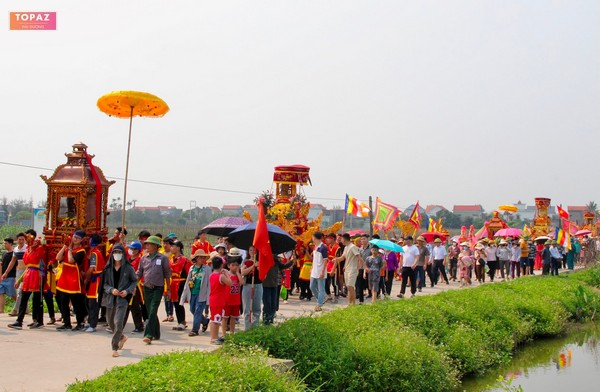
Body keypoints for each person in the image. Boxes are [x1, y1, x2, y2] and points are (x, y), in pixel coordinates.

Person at [102, 244, 137, 357]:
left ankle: (114, 347)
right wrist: (111, 290)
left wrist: (127, 291)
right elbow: (104, 284)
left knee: (118, 322)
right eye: (115, 252)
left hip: (122, 299)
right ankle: (121, 337)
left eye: (119, 252)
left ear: (123, 254)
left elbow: (134, 281)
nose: (117, 255)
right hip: (111, 298)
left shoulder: (128, 268)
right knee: (111, 322)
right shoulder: (108, 269)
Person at [8, 234, 48, 330]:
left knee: (37, 299)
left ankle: (39, 320)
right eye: (29, 240)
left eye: (32, 240)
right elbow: (27, 265)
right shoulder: (27, 250)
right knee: (23, 298)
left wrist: (42, 276)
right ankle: (19, 321)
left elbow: (43, 263)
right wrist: (19, 280)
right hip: (28, 274)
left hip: (37, 275)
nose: (31, 242)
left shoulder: (40, 249)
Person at [136, 236, 171, 345]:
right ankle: (156, 333)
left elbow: (167, 274)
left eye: (150, 244)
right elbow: (139, 273)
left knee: (152, 310)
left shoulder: (163, 258)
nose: (147, 246)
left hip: (158, 288)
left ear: (156, 246)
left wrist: (168, 289)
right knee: (151, 311)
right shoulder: (143, 258)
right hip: (147, 288)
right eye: (146, 244)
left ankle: (148, 335)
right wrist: (132, 283)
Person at [55, 230, 88, 331]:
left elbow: (71, 260)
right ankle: (67, 323)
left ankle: (80, 322)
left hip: (73, 276)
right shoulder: (67, 248)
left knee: (76, 302)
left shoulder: (81, 251)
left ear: (81, 240)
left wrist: (69, 249)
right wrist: (65, 246)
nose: (75, 239)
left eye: (78, 238)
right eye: (74, 237)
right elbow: (58, 257)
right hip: (64, 275)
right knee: (63, 301)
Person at [180, 249, 212, 336]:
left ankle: (195, 330)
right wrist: (183, 297)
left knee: (198, 311)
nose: (202, 259)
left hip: (202, 294)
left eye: (203, 257)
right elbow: (187, 282)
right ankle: (205, 321)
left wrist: (209, 297)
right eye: (200, 257)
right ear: (196, 258)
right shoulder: (191, 268)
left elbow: (209, 284)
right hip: (192, 293)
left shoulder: (207, 269)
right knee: (192, 309)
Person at [333, 233, 363, 306]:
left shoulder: (353, 247)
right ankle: (352, 304)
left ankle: (351, 304)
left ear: (344, 239)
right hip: (347, 269)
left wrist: (364, 267)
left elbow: (359, 257)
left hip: (353, 269)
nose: (340, 240)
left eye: (341, 239)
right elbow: (343, 257)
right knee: (349, 287)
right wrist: (336, 259)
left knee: (350, 287)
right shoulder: (346, 247)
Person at [262, 254, 293, 324]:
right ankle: (266, 320)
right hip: (266, 285)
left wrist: (291, 261)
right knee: (267, 304)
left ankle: (271, 319)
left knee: (273, 304)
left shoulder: (277, 261)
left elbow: (283, 266)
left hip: (274, 284)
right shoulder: (264, 259)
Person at [84, 234, 106, 332]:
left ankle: (93, 325)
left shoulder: (95, 253)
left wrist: (85, 276)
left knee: (93, 303)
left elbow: (92, 268)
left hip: (96, 280)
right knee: (90, 302)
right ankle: (90, 322)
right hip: (95, 278)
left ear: (92, 240)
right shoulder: (94, 252)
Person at [209, 256, 232, 345]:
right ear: (221, 265)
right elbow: (230, 283)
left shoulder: (211, 275)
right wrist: (226, 274)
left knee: (214, 319)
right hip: (218, 300)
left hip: (213, 299)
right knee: (216, 320)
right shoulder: (221, 276)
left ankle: (213, 337)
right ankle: (214, 338)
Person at [3, 233, 27, 317]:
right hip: (19, 272)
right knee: (20, 291)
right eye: (19, 239)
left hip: (27, 272)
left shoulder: (27, 248)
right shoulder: (16, 249)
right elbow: (12, 262)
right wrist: (6, 273)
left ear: (25, 240)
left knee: (20, 291)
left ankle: (15, 310)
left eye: (22, 239)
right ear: (17, 240)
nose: (20, 241)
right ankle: (26, 309)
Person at [169, 240, 191, 331]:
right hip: (173, 283)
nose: (171, 248)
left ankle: (182, 322)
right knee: (175, 303)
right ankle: (180, 322)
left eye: (173, 246)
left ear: (178, 248)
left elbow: (190, 273)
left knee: (180, 303)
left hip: (182, 283)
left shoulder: (185, 260)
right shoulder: (170, 259)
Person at [125, 241, 146, 333]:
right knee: (125, 305)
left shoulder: (140, 260)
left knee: (134, 306)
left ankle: (139, 326)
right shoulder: (128, 259)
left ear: (138, 250)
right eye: (130, 248)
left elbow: (139, 274)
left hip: (135, 286)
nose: (131, 250)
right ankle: (119, 326)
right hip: (126, 285)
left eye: (133, 249)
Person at [241, 246, 262, 330]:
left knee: (257, 309)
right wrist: (252, 266)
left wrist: (259, 268)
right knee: (247, 309)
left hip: (258, 285)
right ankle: (247, 329)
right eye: (250, 250)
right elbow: (243, 272)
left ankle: (255, 329)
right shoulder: (245, 261)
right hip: (248, 285)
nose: (252, 252)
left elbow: (263, 276)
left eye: (254, 250)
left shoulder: (260, 262)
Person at [223, 250, 244, 335]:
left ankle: (232, 332)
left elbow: (242, 282)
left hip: (236, 301)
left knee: (233, 318)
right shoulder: (226, 274)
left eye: (236, 265)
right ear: (229, 266)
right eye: (233, 265)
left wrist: (238, 273)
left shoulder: (238, 275)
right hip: (227, 300)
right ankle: (224, 333)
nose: (235, 267)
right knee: (225, 317)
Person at [310, 232, 328, 312]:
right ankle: (321, 299)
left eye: (312, 237)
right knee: (312, 286)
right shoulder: (315, 247)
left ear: (315, 238)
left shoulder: (323, 247)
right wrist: (312, 268)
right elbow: (314, 259)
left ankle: (319, 304)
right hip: (314, 271)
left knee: (321, 289)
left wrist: (322, 272)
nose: (312, 239)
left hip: (321, 271)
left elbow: (325, 261)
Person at [0, 238, 16, 313]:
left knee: (13, 294)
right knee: (0, 292)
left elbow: (16, 266)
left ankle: (24, 308)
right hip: (3, 277)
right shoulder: (4, 254)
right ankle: (1, 310)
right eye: (4, 243)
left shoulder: (14, 254)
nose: (4, 244)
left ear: (10, 244)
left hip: (11, 276)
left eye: (6, 243)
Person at [324, 233, 340, 303]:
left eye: (329, 238)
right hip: (328, 266)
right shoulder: (328, 246)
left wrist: (333, 269)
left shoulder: (337, 247)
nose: (327, 239)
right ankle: (329, 295)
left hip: (335, 266)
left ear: (333, 238)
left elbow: (337, 259)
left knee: (334, 283)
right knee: (325, 282)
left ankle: (336, 296)